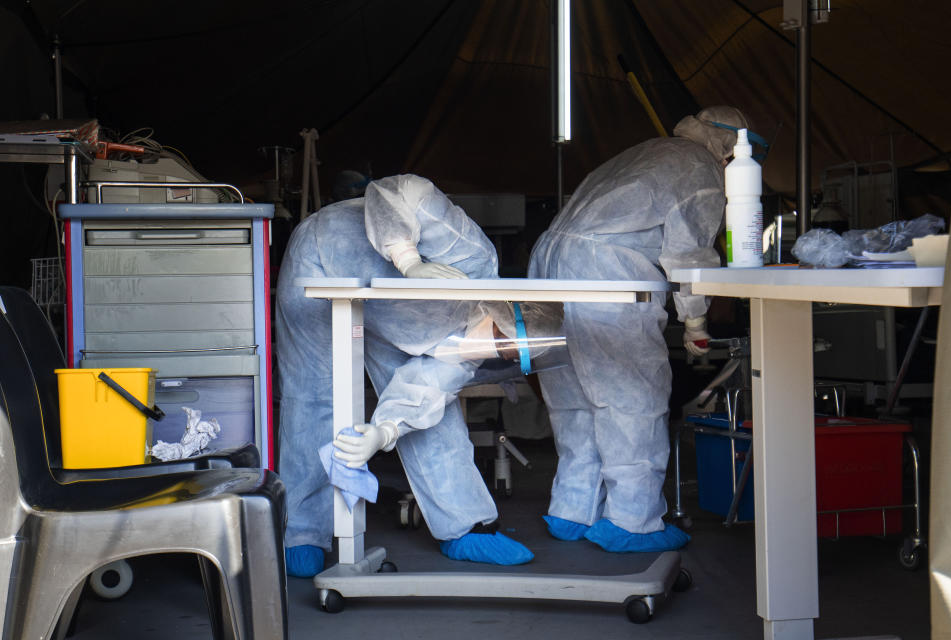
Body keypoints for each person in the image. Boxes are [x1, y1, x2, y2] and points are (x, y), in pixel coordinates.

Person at [276, 174, 562, 577]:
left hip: (394, 318)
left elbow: (421, 394)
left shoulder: (462, 355)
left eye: (506, 358)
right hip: (325, 254)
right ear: (507, 310)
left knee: (435, 415)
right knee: (314, 396)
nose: (492, 355)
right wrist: (408, 260)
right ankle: (303, 532)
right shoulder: (472, 258)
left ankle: (466, 525)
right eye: (503, 342)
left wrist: (384, 431)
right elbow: (396, 189)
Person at [527, 106, 751, 552]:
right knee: (633, 397)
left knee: (573, 396)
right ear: (728, 149)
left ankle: (572, 510)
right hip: (605, 273)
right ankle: (632, 520)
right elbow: (689, 252)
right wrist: (696, 319)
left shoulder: (647, 150)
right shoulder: (700, 167)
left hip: (550, 261)